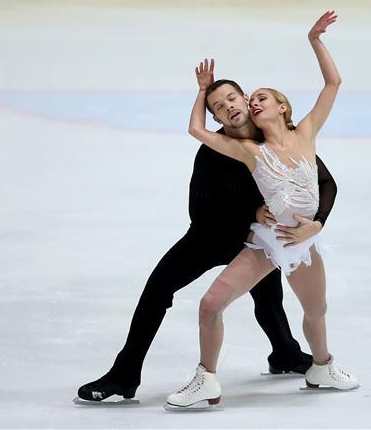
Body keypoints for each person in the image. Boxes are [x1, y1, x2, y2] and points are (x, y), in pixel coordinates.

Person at [76, 76, 338, 403]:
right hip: (210, 237)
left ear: (246, 101)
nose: (229, 107)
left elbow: (324, 182)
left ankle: (285, 352)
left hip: (258, 241)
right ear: (216, 118)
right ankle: (125, 373)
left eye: (232, 99)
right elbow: (200, 212)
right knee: (158, 288)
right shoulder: (212, 152)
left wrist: (316, 223)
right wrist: (252, 215)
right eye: (218, 107)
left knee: (269, 296)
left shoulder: (276, 137)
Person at [166, 11, 358, 410]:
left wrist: (314, 40)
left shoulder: (306, 133)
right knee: (210, 304)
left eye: (260, 98)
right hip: (268, 243)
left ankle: (321, 366)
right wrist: (203, 93)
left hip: (301, 242)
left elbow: (333, 83)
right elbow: (197, 131)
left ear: (282, 107)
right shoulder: (250, 150)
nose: (253, 104)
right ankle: (206, 379)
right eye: (249, 100)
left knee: (316, 311)